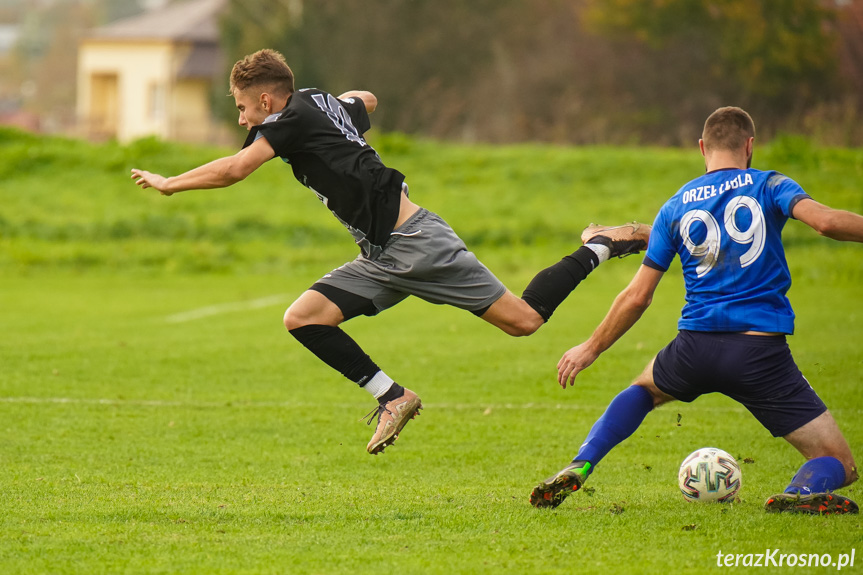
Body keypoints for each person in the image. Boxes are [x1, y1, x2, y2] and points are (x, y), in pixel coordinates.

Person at [131, 49, 650, 455]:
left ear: (266, 101)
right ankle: (393, 397)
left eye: (243, 108)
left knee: (525, 320)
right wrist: (341, 109)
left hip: (419, 246)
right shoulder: (315, 102)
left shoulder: (283, 122)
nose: (243, 120)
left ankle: (605, 242)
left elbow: (234, 170)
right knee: (304, 318)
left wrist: (170, 183)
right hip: (380, 255)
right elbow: (369, 99)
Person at [529, 106, 862, 514]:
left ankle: (582, 463)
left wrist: (591, 348)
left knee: (643, 391)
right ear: (750, 146)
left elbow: (637, 296)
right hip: (759, 353)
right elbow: (827, 223)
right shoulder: (771, 184)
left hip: (694, 347)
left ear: (702, 147)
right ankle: (801, 491)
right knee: (838, 462)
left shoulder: (675, 206)